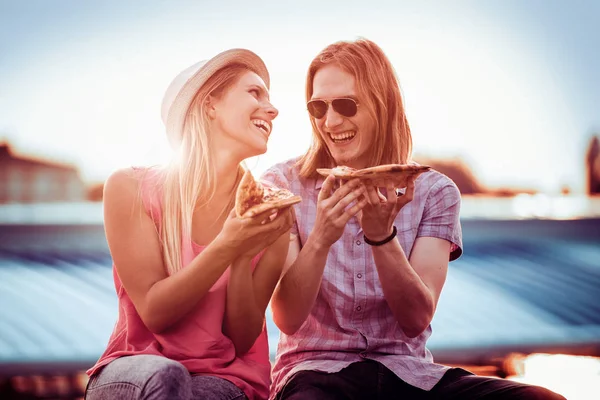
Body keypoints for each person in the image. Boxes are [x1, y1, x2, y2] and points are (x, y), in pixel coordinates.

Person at [261, 38, 565, 399]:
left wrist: (381, 237)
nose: (330, 121)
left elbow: (416, 319)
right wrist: (322, 237)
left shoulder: (436, 192)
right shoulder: (282, 184)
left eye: (345, 104)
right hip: (314, 373)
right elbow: (287, 318)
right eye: (318, 107)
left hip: (408, 373)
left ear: (383, 104)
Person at [85, 48, 294, 400]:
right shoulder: (131, 188)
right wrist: (228, 245)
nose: (272, 110)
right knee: (166, 378)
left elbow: (242, 339)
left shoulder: (273, 208)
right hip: (137, 368)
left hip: (226, 376)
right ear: (210, 104)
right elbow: (155, 313)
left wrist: (242, 257)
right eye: (254, 93)